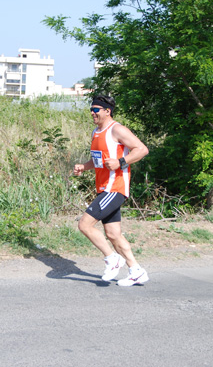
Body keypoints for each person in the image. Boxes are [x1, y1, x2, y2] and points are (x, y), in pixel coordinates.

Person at [73, 95, 150, 286]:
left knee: (85, 225)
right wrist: (84, 167)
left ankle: (112, 258)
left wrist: (121, 162)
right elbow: (99, 161)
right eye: (91, 109)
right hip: (103, 188)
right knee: (114, 234)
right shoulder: (96, 132)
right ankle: (136, 270)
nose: (93, 112)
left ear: (107, 111)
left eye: (96, 109)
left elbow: (141, 149)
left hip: (114, 188)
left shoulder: (117, 129)